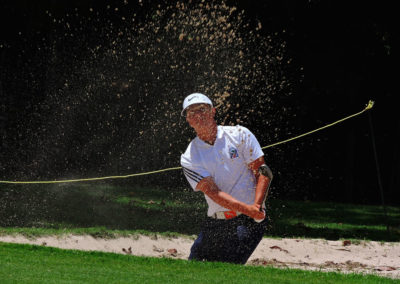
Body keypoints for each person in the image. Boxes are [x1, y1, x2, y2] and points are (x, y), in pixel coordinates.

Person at [180, 92, 273, 264]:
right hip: (215, 222)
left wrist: (256, 207)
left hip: (247, 222)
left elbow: (263, 172)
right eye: (191, 112)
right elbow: (214, 193)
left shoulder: (239, 134)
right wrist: (250, 209)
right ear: (188, 120)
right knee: (194, 268)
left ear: (213, 111)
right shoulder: (189, 156)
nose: (198, 115)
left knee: (227, 271)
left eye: (202, 109)